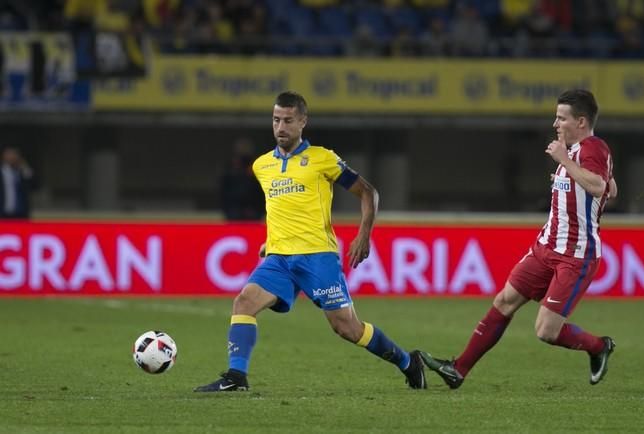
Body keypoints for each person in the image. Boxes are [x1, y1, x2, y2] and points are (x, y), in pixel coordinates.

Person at [195, 91, 428, 392]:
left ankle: (408, 363)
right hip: (279, 258)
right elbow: (281, 207)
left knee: (347, 328)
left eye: (289, 121)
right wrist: (271, 240)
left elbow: (368, 193)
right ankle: (236, 377)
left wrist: (364, 233)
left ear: (303, 122)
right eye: (276, 120)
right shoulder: (261, 166)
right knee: (244, 302)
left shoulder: (322, 159)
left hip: (317, 257)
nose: (281, 127)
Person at [423, 89, 617, 389]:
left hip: (575, 254)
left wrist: (564, 161)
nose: (555, 123)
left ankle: (598, 346)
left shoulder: (592, 147)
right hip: (546, 246)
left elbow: (597, 186)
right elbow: (610, 189)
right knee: (504, 300)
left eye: (561, 118)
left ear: (580, 121)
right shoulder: (579, 152)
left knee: (546, 331)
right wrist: (572, 170)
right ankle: (458, 370)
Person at [0, 146, 36, 219]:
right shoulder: (2, 172)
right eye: (9, 154)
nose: (11, 157)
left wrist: (25, 168)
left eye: (14, 154)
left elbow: (35, 186)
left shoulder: (23, 172)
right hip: (3, 213)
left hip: (21, 213)